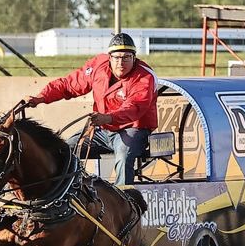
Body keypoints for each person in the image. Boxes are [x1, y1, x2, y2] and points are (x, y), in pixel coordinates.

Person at [23, 32, 158, 186]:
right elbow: (68, 85)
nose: (121, 62)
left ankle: (124, 198)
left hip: (133, 129)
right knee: (66, 150)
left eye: (126, 57)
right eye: (116, 57)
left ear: (134, 58)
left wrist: (107, 118)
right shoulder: (98, 66)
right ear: (109, 58)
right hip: (102, 130)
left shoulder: (144, 77)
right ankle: (70, 189)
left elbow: (134, 107)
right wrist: (41, 97)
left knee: (124, 154)